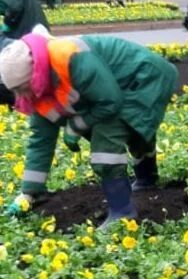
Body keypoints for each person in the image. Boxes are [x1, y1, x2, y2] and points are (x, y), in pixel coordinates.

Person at [0, 26, 178, 228]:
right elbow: (40, 141)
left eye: (22, 88)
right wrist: (30, 192)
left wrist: (76, 126)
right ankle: (147, 180)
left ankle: (122, 212)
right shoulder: (38, 89)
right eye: (16, 91)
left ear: (34, 76)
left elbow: (110, 102)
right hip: (117, 90)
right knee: (129, 133)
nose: (21, 96)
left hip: (143, 78)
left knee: (107, 146)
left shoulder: (71, 58)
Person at [0, 0, 49, 104]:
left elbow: (14, 6)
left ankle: (18, 97)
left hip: (24, 30)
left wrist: (7, 24)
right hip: (34, 27)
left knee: (20, 64)